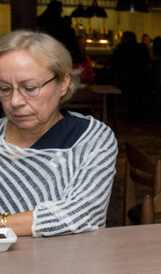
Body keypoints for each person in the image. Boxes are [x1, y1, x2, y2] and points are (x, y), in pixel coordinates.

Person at [0, 30, 117, 237]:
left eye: (30, 88)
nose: (15, 101)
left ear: (63, 83)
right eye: (4, 88)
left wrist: (3, 222)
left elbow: (83, 213)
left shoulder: (91, 139)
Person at [110, 31, 151, 118]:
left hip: (125, 79)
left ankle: (125, 110)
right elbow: (148, 62)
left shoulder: (121, 48)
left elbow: (113, 62)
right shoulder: (141, 48)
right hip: (141, 79)